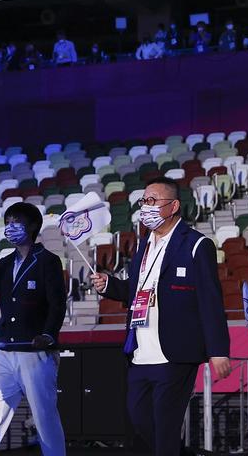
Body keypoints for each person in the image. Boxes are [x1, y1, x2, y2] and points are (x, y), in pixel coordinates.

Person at [89, 177, 231, 456]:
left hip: (175, 353)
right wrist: (110, 285)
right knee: (139, 417)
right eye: (144, 201)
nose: (146, 207)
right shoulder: (144, 244)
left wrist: (218, 350)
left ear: (174, 205)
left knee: (166, 425)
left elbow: (210, 300)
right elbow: (137, 290)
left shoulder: (196, 244)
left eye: (153, 201)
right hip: (141, 349)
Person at [0, 203, 67, 456]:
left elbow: (57, 304)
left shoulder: (48, 261)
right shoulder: (4, 263)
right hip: (4, 353)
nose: (10, 227)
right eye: (7, 222)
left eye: (16, 221)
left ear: (33, 225)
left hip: (35, 355)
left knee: (45, 421)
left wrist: (48, 335)